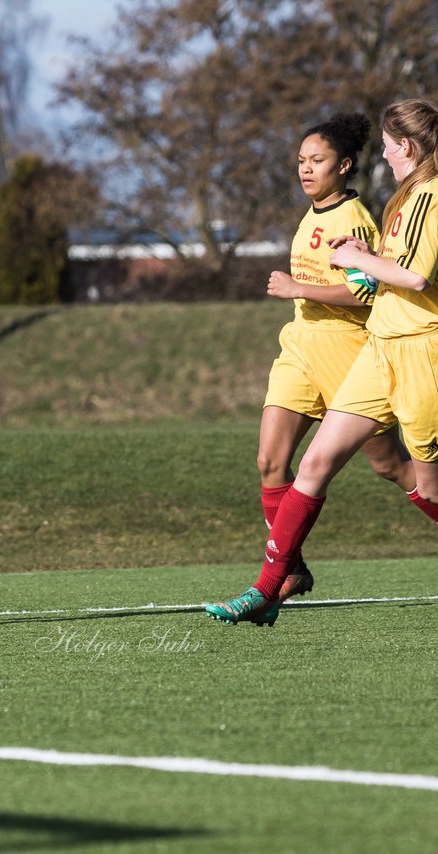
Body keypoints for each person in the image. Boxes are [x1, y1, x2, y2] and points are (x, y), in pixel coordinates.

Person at [208, 99, 438, 626]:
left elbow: (400, 281)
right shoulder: (398, 200)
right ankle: (273, 584)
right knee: (291, 464)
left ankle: (279, 578)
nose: (305, 168)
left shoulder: (399, 204)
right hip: (332, 348)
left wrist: (339, 270)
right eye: (301, 159)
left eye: (316, 159)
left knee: (405, 474)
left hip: (385, 347)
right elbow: (386, 275)